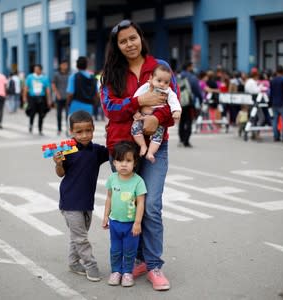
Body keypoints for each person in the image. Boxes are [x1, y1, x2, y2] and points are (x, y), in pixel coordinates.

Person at [100, 19, 174, 291]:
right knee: (129, 205)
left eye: (133, 38)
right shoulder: (110, 74)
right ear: (116, 46)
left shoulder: (160, 68)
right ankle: (139, 258)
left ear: (141, 38)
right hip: (121, 149)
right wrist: (139, 102)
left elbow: (173, 102)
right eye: (123, 41)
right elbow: (110, 109)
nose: (129, 44)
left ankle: (154, 265)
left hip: (154, 146)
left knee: (151, 205)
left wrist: (158, 119)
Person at [52, 110, 109, 282]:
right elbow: (60, 174)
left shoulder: (96, 150)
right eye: (79, 132)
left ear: (93, 129)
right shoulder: (66, 150)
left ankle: (73, 263)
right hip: (70, 202)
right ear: (71, 132)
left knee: (77, 237)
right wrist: (59, 163)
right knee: (81, 238)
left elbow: (115, 153)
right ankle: (90, 265)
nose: (84, 135)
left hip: (87, 202)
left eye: (88, 130)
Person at [102, 141, 146, 287]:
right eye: (120, 161)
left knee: (129, 250)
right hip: (115, 222)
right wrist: (105, 216)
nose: (124, 164)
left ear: (134, 163)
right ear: (114, 163)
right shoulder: (112, 178)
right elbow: (109, 197)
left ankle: (127, 272)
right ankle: (116, 272)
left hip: (131, 225)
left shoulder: (138, 181)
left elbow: (140, 203)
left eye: (128, 160)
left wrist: (138, 222)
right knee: (115, 249)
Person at [132, 64, 181, 162]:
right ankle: (143, 146)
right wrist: (136, 111)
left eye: (166, 82)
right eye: (159, 80)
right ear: (151, 78)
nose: (162, 84)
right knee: (135, 129)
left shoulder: (168, 91)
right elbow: (136, 98)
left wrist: (176, 111)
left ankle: (150, 152)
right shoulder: (146, 86)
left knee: (158, 137)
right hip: (142, 116)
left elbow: (174, 101)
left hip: (158, 121)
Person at [179, 61, 202, 147]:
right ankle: (186, 140)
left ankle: (181, 139)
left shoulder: (178, 76)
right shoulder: (192, 77)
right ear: (189, 67)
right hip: (189, 102)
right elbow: (197, 90)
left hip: (179, 102)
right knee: (189, 121)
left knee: (181, 121)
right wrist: (201, 99)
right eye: (192, 66)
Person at [23, 64, 52, 135]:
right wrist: (24, 97)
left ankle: (40, 128)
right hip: (32, 98)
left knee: (41, 114)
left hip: (42, 98)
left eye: (37, 69)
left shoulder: (45, 78)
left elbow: (47, 90)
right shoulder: (30, 77)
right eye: (35, 69)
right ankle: (31, 125)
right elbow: (26, 87)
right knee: (32, 113)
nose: (35, 70)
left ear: (40, 70)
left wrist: (49, 100)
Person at [269, 65, 283, 142]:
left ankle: (276, 136)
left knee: (275, 120)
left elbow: (271, 93)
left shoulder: (272, 80)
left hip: (274, 103)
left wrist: (270, 102)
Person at [52, 60, 70, 135]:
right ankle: (59, 129)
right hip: (59, 98)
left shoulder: (69, 75)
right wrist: (57, 94)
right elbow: (53, 85)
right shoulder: (56, 74)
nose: (65, 66)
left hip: (67, 98)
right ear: (60, 66)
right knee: (59, 114)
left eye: (66, 65)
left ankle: (67, 129)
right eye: (63, 65)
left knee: (67, 115)